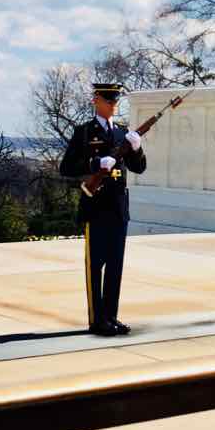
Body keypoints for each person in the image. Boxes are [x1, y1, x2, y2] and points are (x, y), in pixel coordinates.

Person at [59, 82, 146, 336]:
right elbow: (67, 168)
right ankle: (97, 319)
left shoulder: (122, 133)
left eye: (115, 101)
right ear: (96, 100)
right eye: (109, 101)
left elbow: (139, 168)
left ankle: (111, 316)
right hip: (96, 205)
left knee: (115, 266)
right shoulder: (84, 132)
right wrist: (95, 162)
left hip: (118, 207)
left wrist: (137, 148)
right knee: (95, 265)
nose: (113, 105)